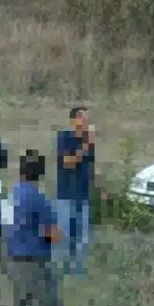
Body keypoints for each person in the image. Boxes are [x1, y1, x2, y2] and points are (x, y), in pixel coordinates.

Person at [8, 149, 65, 306]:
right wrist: (60, 235)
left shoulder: (12, 196)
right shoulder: (39, 200)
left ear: (21, 171)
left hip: (15, 261)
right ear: (39, 174)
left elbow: (5, 227)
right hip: (36, 261)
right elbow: (50, 233)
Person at [56, 106, 95, 276]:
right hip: (66, 193)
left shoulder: (89, 141)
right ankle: (63, 268)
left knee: (82, 236)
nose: (86, 121)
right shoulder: (65, 137)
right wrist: (85, 146)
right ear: (74, 120)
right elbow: (68, 162)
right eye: (83, 118)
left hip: (83, 194)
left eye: (88, 118)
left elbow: (89, 164)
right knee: (66, 234)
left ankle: (78, 270)